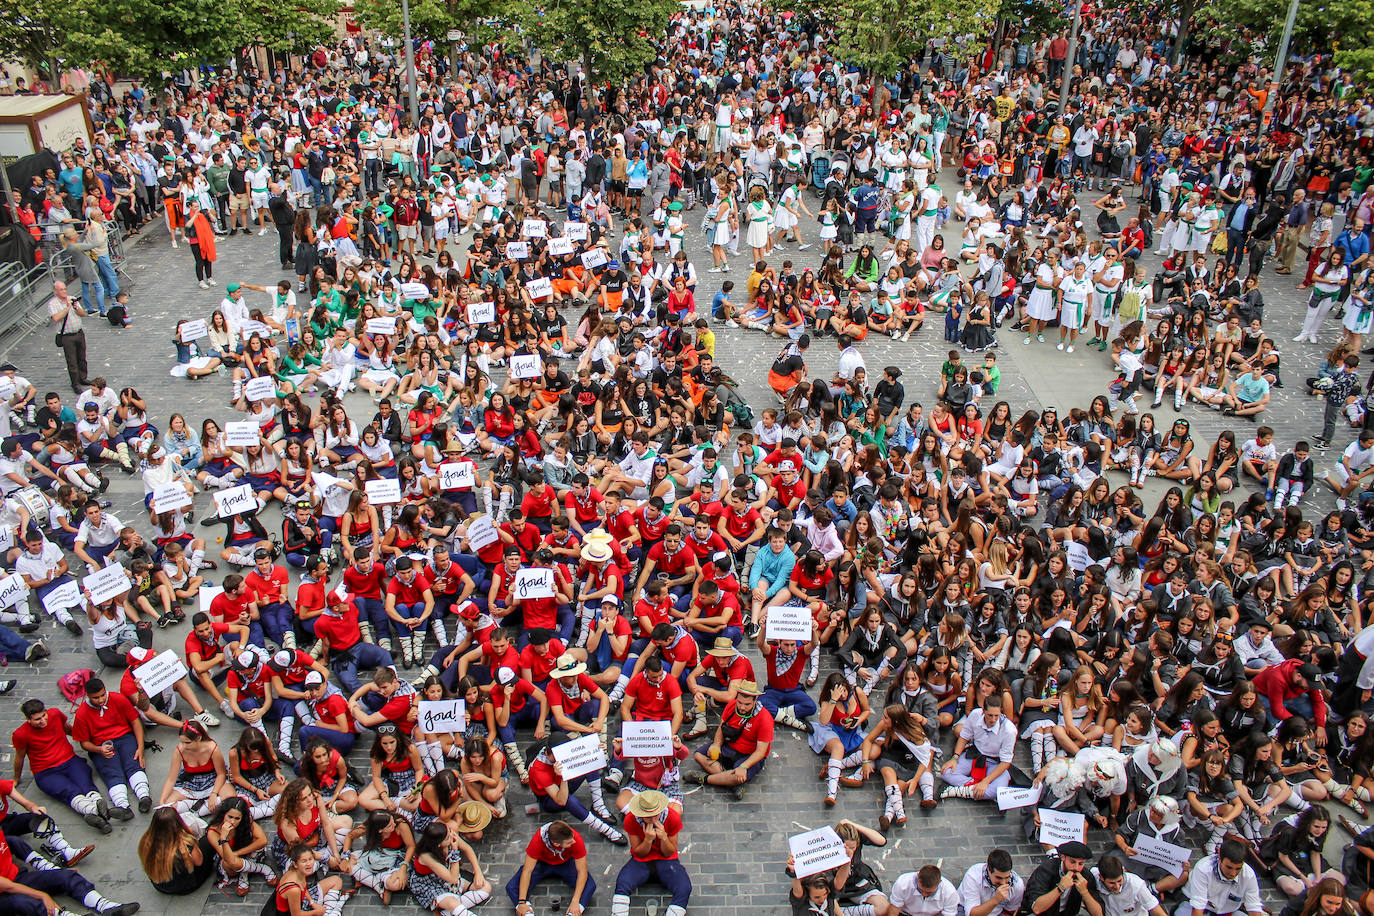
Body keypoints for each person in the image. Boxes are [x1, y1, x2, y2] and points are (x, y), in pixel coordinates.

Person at [611, 790, 690, 916]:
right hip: (641, 862)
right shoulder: (631, 819)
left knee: (684, 887)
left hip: (666, 862)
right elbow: (639, 853)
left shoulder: (672, 817)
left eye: (656, 816)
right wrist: (648, 840)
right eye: (648, 817)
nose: (653, 820)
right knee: (622, 883)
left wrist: (664, 838)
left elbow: (669, 852)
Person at [508, 820, 595, 916]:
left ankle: (574, 912)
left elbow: (582, 871)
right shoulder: (537, 840)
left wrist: (575, 900)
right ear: (556, 844)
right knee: (512, 886)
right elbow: (527, 871)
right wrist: (521, 902)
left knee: (590, 885)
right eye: (569, 842)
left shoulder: (575, 838)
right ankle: (526, 912)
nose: (573, 841)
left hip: (565, 864)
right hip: (542, 864)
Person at [47, 282, 88, 393]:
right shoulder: (53, 304)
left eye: (65, 289)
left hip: (79, 333)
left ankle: (83, 378)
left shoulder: (72, 298)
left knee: (82, 357)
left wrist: (75, 307)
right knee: (72, 361)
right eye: (61, 290)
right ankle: (75, 383)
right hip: (67, 336)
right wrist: (67, 308)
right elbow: (55, 318)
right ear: (55, 291)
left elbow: (83, 313)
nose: (64, 291)